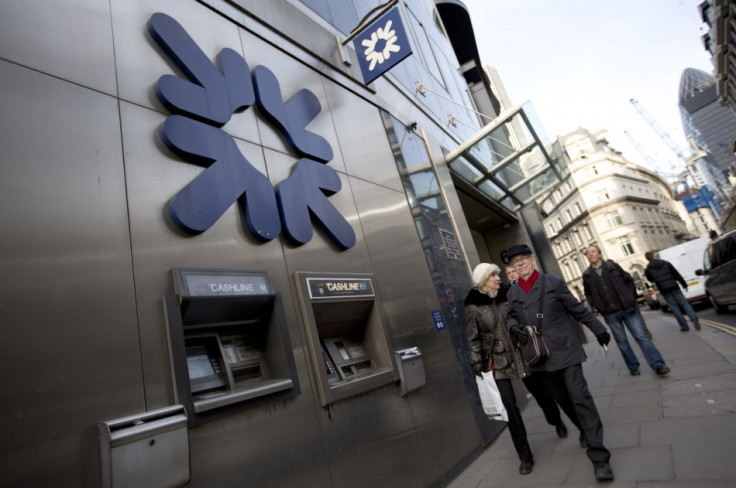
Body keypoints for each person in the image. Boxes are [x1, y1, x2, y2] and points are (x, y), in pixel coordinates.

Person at [505, 244, 615, 482]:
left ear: (532, 260)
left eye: (524, 258)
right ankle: (585, 430)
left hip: (565, 352)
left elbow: (577, 309)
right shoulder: (512, 293)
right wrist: (514, 328)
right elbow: (511, 315)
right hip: (539, 358)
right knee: (563, 400)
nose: (520, 263)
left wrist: (598, 329)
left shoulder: (552, 282)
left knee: (580, 398)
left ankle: (599, 458)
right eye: (516, 261)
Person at [465, 263, 535, 475]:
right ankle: (525, 456)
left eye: (497, 274)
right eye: (493, 275)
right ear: (483, 281)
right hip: (497, 361)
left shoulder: (509, 294)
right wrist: (477, 363)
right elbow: (473, 337)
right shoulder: (473, 306)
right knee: (510, 408)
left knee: (542, 391)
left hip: (520, 353)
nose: (498, 278)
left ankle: (554, 418)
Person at [582, 245, 670, 377]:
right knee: (622, 342)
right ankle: (633, 366)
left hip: (628, 308)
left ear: (599, 254)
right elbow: (588, 294)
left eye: (593, 251)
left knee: (641, 336)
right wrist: (599, 306)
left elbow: (628, 281)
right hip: (610, 314)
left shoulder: (613, 266)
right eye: (588, 253)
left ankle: (658, 364)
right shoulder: (587, 275)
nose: (591, 254)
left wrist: (630, 298)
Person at [644, 251, 701, 331]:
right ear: (654, 256)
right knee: (684, 303)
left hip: (663, 289)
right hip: (674, 286)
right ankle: (693, 316)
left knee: (674, 307)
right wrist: (684, 284)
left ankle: (684, 326)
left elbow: (651, 280)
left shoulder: (648, 269)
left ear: (647, 259)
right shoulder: (665, 263)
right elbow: (675, 274)